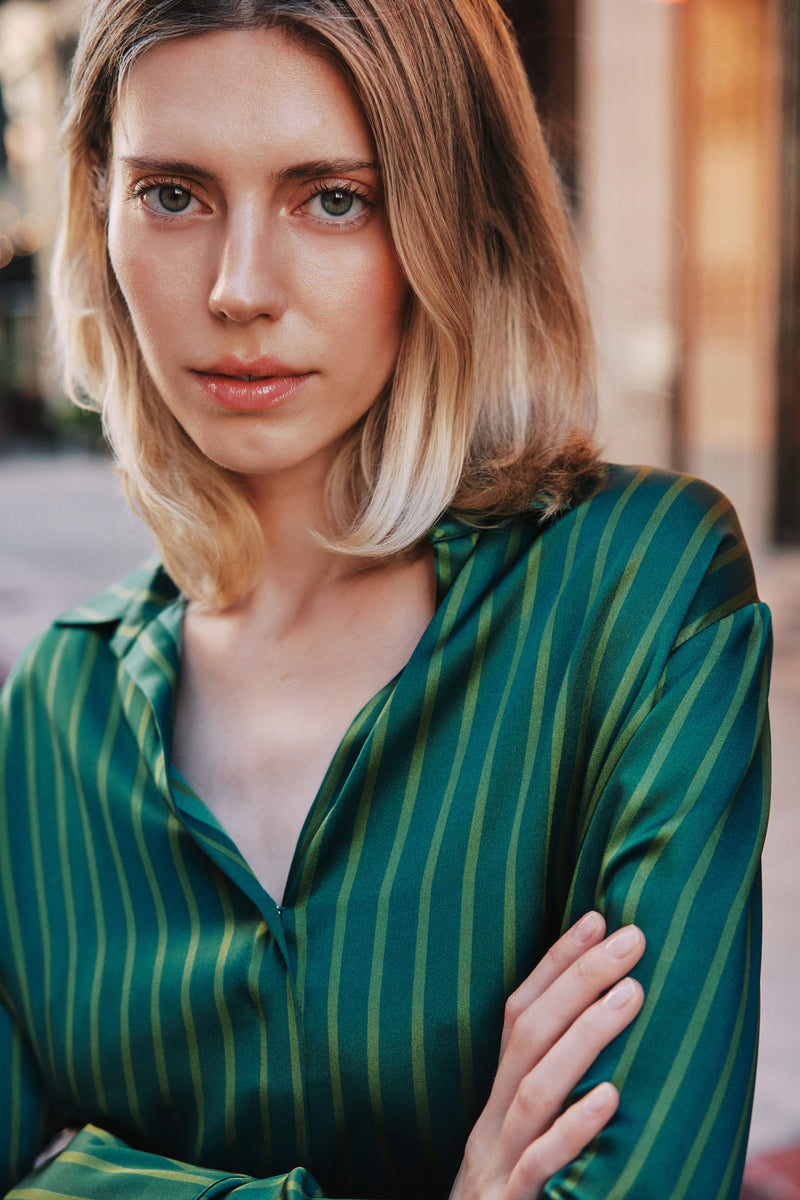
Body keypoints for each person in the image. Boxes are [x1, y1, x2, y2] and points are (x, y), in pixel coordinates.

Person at [0, 1, 770, 1197]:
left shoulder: (635, 588)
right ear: (98, 216)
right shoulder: (53, 714)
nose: (239, 289)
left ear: (461, 222)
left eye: (332, 198)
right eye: (173, 194)